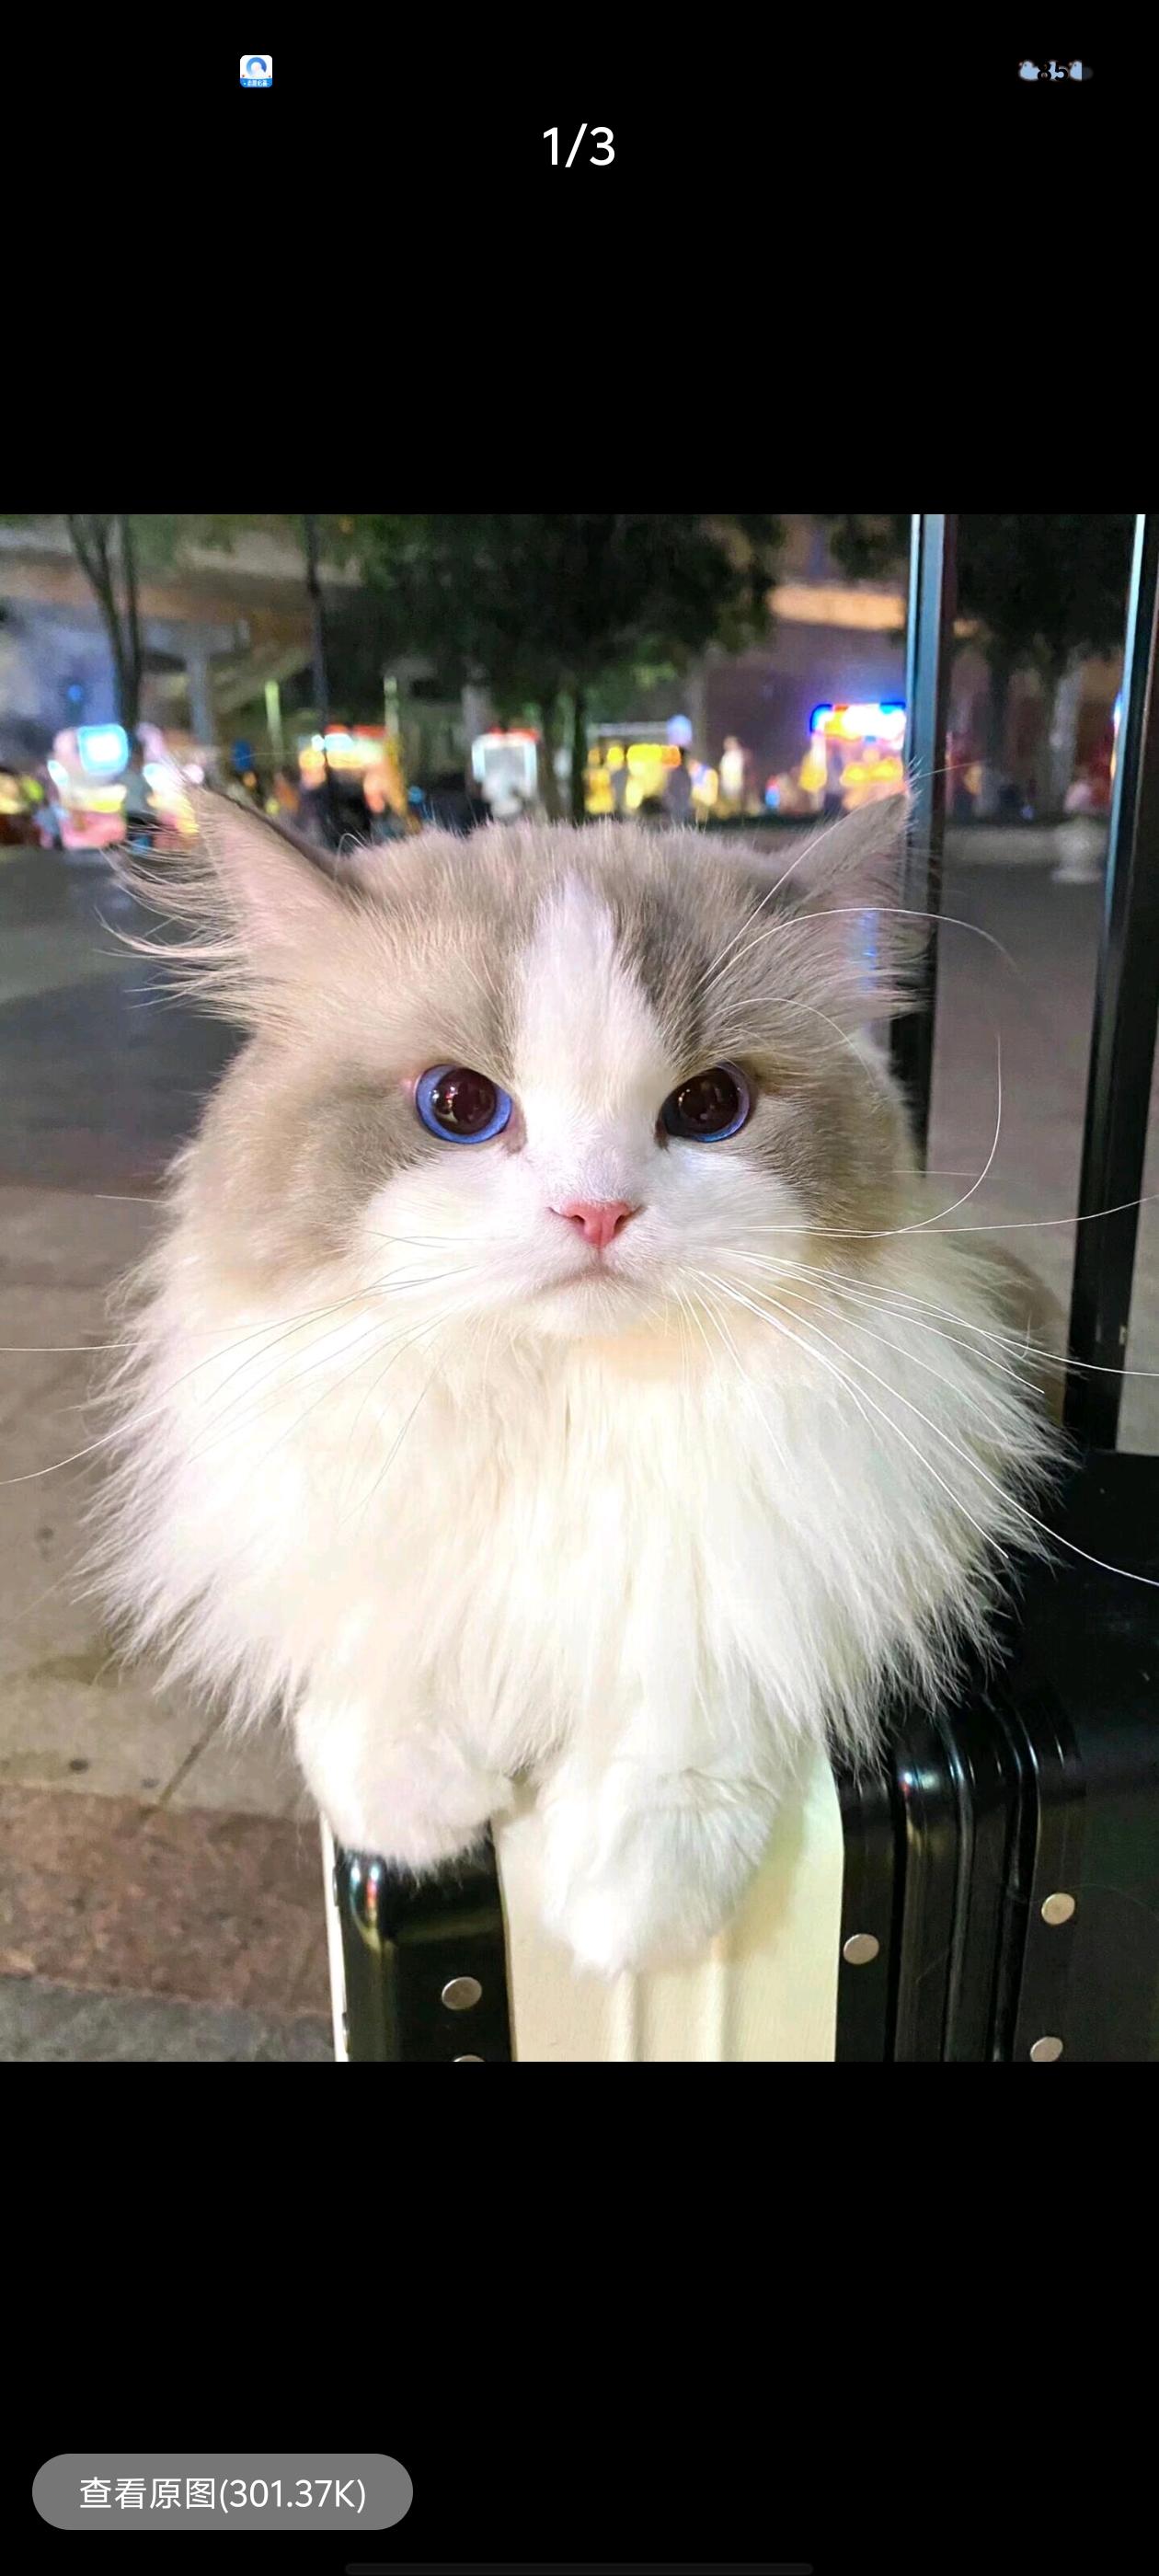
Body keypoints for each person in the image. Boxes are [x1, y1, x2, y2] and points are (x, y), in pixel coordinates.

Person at [663, 745, 694, 826]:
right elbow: (669, 790)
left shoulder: (682, 773)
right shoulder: (677, 773)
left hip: (681, 807)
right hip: (676, 807)